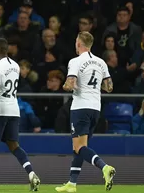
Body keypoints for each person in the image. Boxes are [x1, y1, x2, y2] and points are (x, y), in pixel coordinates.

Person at [0, 38, 40, 191]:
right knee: (14, 145)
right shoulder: (15, 66)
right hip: (14, 109)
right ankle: (31, 173)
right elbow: (4, 85)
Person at [56, 31, 115, 193]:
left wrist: (67, 86)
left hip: (80, 107)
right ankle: (72, 184)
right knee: (81, 147)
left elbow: (69, 84)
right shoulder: (101, 62)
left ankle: (104, 167)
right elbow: (109, 87)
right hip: (96, 108)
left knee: (78, 146)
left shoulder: (75, 61)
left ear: (79, 43)